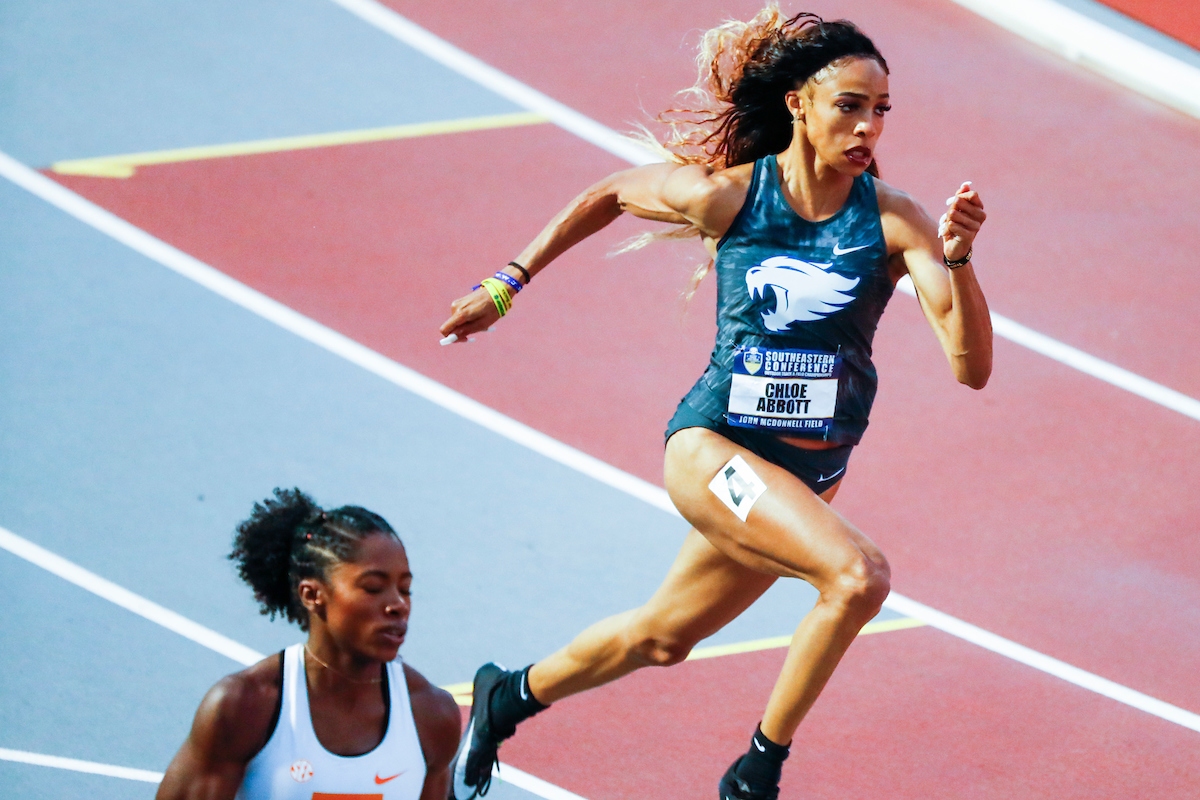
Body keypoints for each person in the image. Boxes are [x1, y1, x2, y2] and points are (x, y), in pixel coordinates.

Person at [438, 5, 991, 799]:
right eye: (849, 106)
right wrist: (506, 284)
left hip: (803, 478)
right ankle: (757, 771)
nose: (868, 126)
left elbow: (972, 368)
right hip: (716, 450)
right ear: (798, 104)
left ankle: (507, 696)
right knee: (857, 577)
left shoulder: (895, 220)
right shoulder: (727, 198)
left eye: (881, 110)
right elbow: (611, 192)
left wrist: (960, 259)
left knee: (663, 638)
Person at [156, 488, 460, 800]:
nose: (398, 605)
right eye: (373, 588)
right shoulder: (246, 707)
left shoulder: (431, 715)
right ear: (312, 595)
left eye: (405, 589)